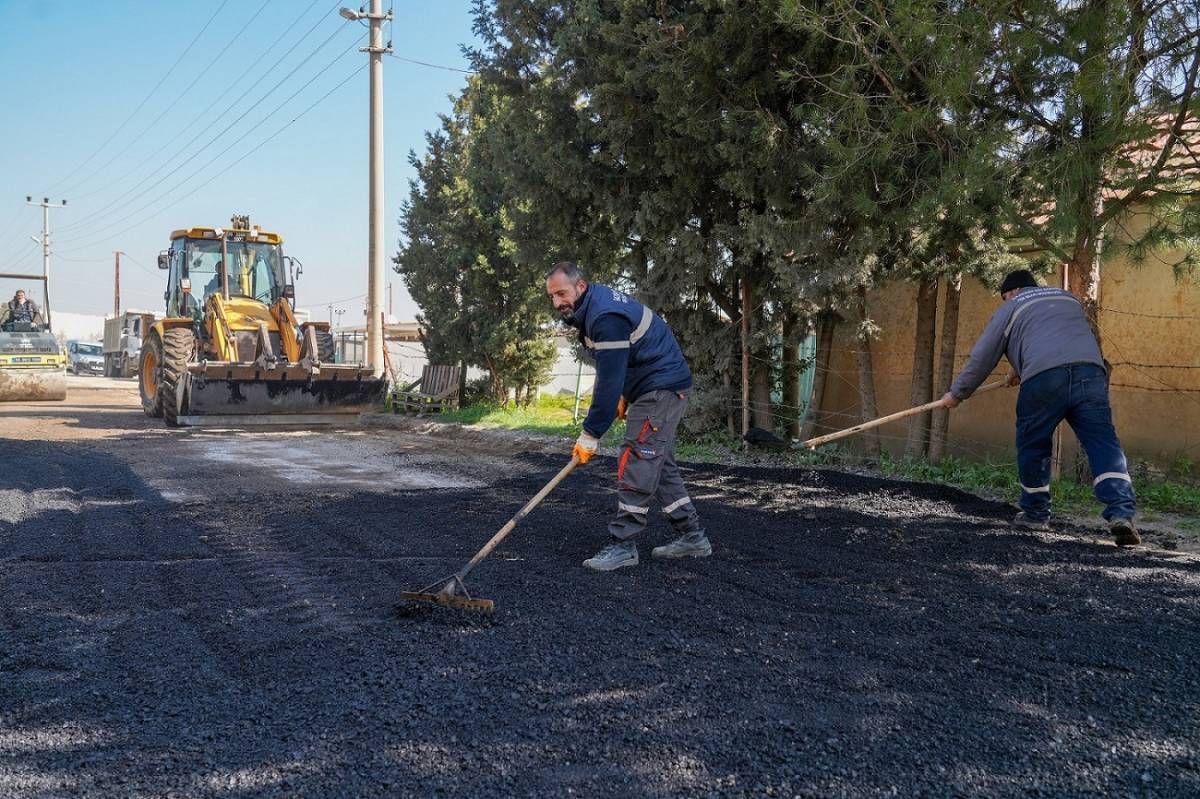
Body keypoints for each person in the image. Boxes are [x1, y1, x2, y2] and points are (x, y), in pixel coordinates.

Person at [941, 269, 1139, 546]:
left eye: (1004, 297)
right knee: (1103, 443)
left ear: (1011, 293)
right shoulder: (1067, 299)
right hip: (1090, 374)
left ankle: (1035, 513)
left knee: (1033, 442)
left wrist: (957, 393)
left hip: (1045, 380)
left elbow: (984, 355)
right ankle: (1121, 512)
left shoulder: (1011, 306)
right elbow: (1052, 337)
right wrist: (1018, 369)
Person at [546, 262, 710, 571]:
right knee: (657, 463)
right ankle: (692, 537)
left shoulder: (604, 317)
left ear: (581, 286)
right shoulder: (594, 307)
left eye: (562, 293)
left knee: (637, 458)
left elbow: (607, 382)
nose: (557, 303)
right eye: (552, 296)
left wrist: (591, 433)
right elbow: (619, 364)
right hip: (655, 385)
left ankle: (623, 545)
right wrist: (623, 393)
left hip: (660, 388)